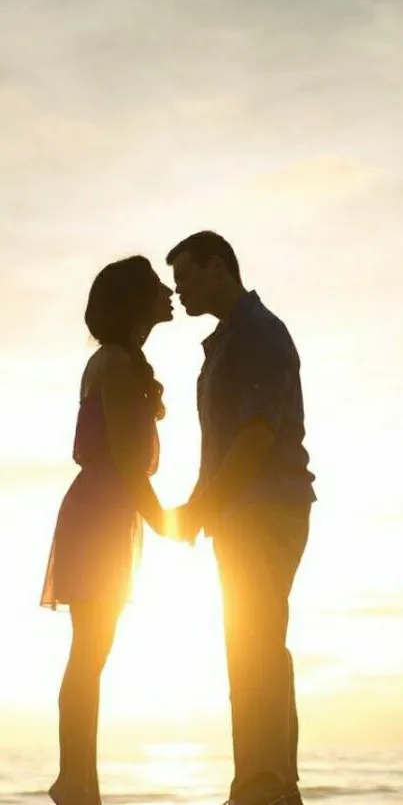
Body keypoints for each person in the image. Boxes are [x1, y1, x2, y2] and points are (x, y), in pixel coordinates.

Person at [166, 231, 316, 805]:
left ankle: (264, 786)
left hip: (267, 508)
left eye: (185, 279)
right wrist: (202, 503)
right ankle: (268, 784)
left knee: (256, 644)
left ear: (217, 267)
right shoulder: (226, 340)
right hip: (239, 510)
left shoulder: (258, 333)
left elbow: (256, 435)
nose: (179, 293)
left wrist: (203, 504)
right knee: (255, 644)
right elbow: (223, 444)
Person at [40, 256, 174, 805]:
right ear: (135, 302)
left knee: (93, 650)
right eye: (157, 287)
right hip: (101, 510)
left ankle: (81, 781)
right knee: (90, 651)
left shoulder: (122, 361)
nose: (169, 293)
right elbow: (123, 455)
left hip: (110, 510)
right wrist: (169, 522)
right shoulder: (116, 364)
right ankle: (75, 781)